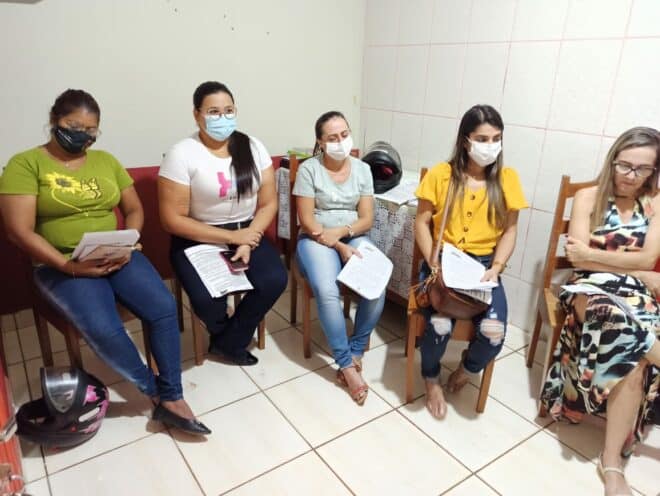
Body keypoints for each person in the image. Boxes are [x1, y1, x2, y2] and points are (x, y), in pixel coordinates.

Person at [0, 89, 210, 436]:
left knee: (163, 308)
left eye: (91, 130)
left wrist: (129, 240)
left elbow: (134, 208)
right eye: (74, 127)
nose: (82, 136)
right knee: (103, 328)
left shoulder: (106, 161)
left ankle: (173, 395)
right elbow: (18, 231)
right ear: (54, 121)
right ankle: (155, 390)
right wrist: (68, 266)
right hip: (61, 264)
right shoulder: (25, 164)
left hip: (115, 252)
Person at [541, 127, 660, 496]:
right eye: (625, 165)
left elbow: (648, 259)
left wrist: (600, 257)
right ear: (612, 160)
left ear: (654, 171)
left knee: (635, 354)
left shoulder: (656, 203)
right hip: (587, 288)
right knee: (624, 324)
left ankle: (611, 462)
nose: (631, 175)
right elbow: (578, 260)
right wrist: (633, 267)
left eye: (642, 169)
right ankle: (611, 464)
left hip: (635, 293)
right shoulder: (587, 196)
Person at [159, 81, 286, 366]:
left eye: (228, 110)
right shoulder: (182, 153)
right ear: (197, 115)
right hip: (197, 236)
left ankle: (227, 343)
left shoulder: (252, 146)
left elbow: (268, 203)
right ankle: (230, 337)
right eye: (214, 112)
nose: (222, 117)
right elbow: (172, 220)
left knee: (274, 279)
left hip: (247, 230)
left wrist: (249, 237)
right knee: (208, 301)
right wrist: (231, 238)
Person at [414, 104, 528, 419]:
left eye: (496, 138)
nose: (490, 145)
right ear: (465, 140)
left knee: (493, 332)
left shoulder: (507, 178)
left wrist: (497, 267)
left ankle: (467, 368)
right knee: (439, 325)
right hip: (443, 262)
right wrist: (433, 262)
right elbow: (421, 222)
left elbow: (510, 230)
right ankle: (431, 377)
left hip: (483, 268)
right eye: (482, 139)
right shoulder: (441, 174)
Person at [293, 110, 386, 405]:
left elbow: (366, 218)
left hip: (352, 232)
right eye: (332, 138)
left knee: (376, 281)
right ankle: (346, 365)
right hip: (316, 237)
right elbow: (307, 220)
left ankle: (356, 350)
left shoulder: (362, 169)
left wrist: (344, 233)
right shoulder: (309, 170)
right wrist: (338, 246)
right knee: (326, 288)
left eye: (344, 135)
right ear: (320, 142)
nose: (340, 141)